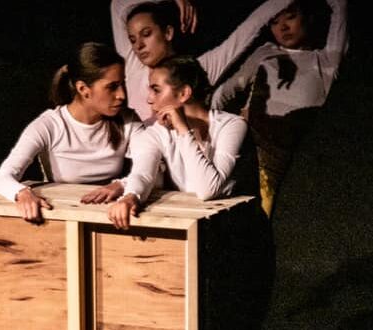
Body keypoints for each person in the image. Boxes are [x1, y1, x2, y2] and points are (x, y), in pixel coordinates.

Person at [210, 0, 348, 216]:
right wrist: (212, 130)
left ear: (306, 17)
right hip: (249, 143)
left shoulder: (325, 60)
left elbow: (340, 7)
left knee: (264, 215)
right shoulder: (265, 53)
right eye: (274, 21)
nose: (283, 27)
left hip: (288, 152)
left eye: (290, 17)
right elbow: (223, 93)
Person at [0, 42, 144, 223]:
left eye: (122, 84)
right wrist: (21, 193)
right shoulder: (50, 125)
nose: (122, 95)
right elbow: (2, 178)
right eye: (112, 87)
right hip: (60, 216)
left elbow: (152, 169)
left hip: (110, 215)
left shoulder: (127, 119)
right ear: (83, 89)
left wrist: (121, 185)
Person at [104, 56, 255, 229]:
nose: (149, 99)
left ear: (184, 93)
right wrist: (130, 197)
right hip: (188, 222)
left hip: (232, 224)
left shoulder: (231, 125)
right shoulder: (155, 133)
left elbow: (207, 189)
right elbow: (143, 172)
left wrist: (183, 129)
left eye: (156, 90)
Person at [111, 0, 294, 122]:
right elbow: (118, 4)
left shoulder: (197, 68)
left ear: (168, 33)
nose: (138, 46)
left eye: (146, 34)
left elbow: (253, 25)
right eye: (132, 40)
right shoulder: (134, 67)